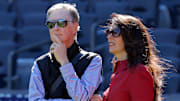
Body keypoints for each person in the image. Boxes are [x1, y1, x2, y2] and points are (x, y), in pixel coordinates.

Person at [28, 3, 102, 101]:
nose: (56, 28)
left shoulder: (93, 60)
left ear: (75, 27)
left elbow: (80, 97)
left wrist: (64, 62)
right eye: (51, 24)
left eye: (62, 23)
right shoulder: (40, 63)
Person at [90, 13, 166, 101]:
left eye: (115, 32)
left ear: (131, 37)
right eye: (108, 32)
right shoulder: (118, 71)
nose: (109, 36)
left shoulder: (138, 71)